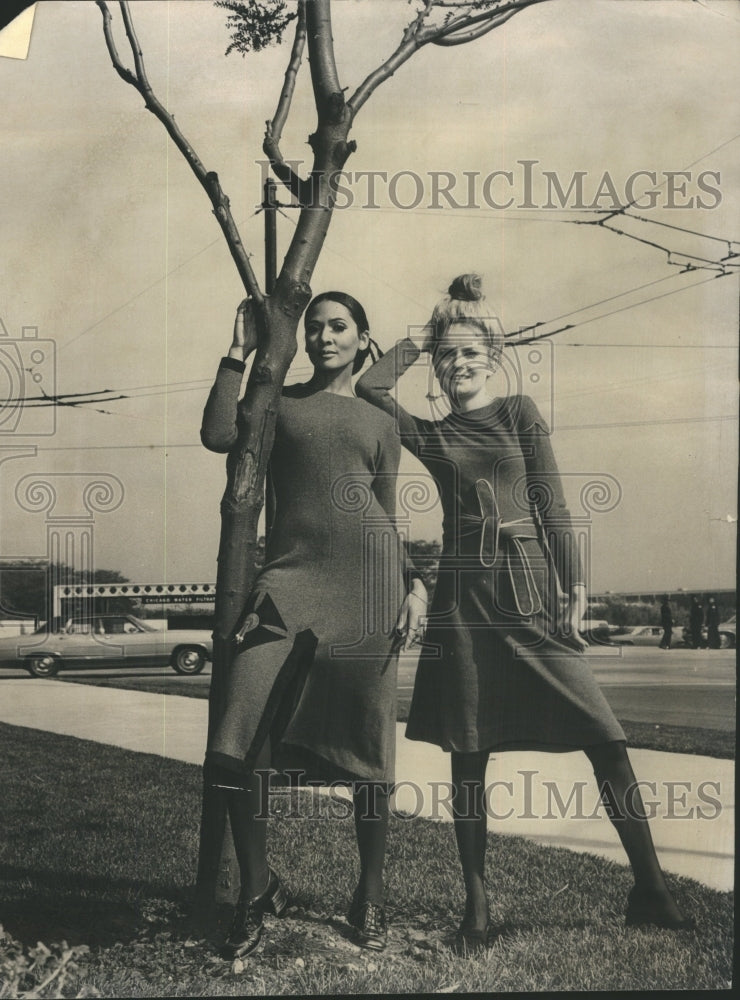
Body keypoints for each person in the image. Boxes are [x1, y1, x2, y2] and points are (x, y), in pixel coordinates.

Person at [356, 273, 694, 950]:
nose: (457, 364)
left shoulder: (519, 412)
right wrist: (425, 334)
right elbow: (370, 389)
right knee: (468, 748)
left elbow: (554, 506)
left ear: (494, 352)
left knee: (604, 734)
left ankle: (650, 887)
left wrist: (574, 590)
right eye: (446, 355)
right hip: (462, 598)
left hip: (529, 585)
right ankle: (476, 905)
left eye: (469, 351)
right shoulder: (428, 434)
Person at [201, 294, 427, 957]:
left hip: (371, 589)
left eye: (339, 328)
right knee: (234, 735)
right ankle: (256, 887)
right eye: (315, 327)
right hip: (288, 584)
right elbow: (219, 435)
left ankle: (371, 895)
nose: (325, 337)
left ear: (362, 340)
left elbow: (384, 512)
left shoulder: (380, 421)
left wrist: (417, 581)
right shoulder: (280, 404)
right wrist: (238, 352)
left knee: (368, 751)